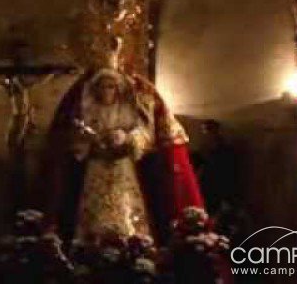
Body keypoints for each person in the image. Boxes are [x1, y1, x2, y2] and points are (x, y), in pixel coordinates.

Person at [39, 67, 204, 244]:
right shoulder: (89, 109)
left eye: (111, 87)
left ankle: (133, 238)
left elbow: (143, 132)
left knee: (126, 204)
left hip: (122, 164)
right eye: (102, 87)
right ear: (95, 89)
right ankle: (90, 239)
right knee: (95, 204)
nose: (107, 91)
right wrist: (90, 141)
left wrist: (126, 138)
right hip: (96, 164)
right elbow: (76, 139)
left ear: (118, 89)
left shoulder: (127, 110)